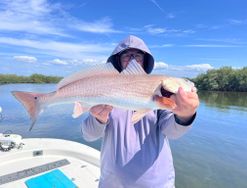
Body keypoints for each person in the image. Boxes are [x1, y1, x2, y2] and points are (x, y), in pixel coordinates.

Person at [81, 35, 199, 188]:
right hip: (111, 183)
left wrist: (185, 115)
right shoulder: (105, 90)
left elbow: (173, 132)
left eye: (137, 55)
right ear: (117, 60)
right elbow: (89, 135)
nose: (132, 60)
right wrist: (99, 119)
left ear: (145, 61)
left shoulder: (164, 94)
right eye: (126, 55)